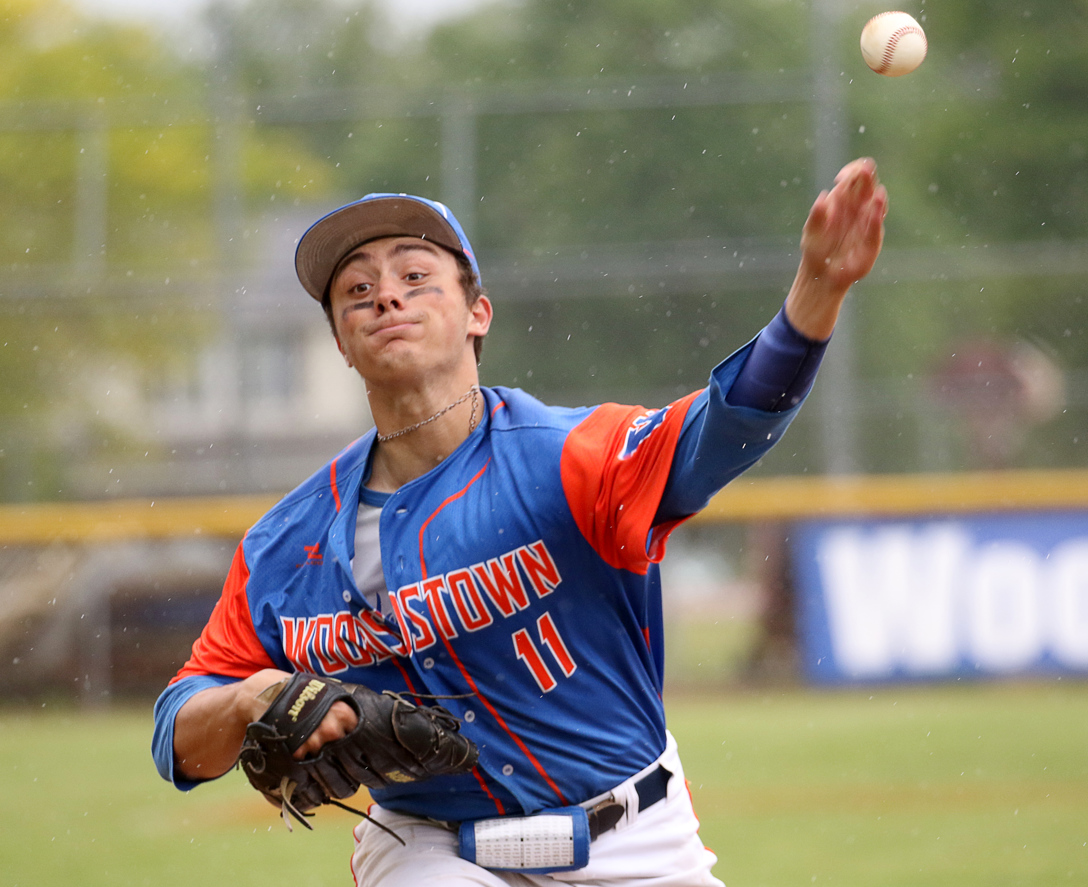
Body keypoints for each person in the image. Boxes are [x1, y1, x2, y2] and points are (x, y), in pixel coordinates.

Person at [150, 157, 887, 885]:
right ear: (341, 342)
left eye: (415, 276)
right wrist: (249, 699)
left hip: (634, 841)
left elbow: (725, 428)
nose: (385, 297)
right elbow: (176, 730)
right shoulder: (287, 544)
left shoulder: (568, 458)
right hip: (429, 851)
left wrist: (815, 294)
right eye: (357, 289)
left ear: (479, 313)